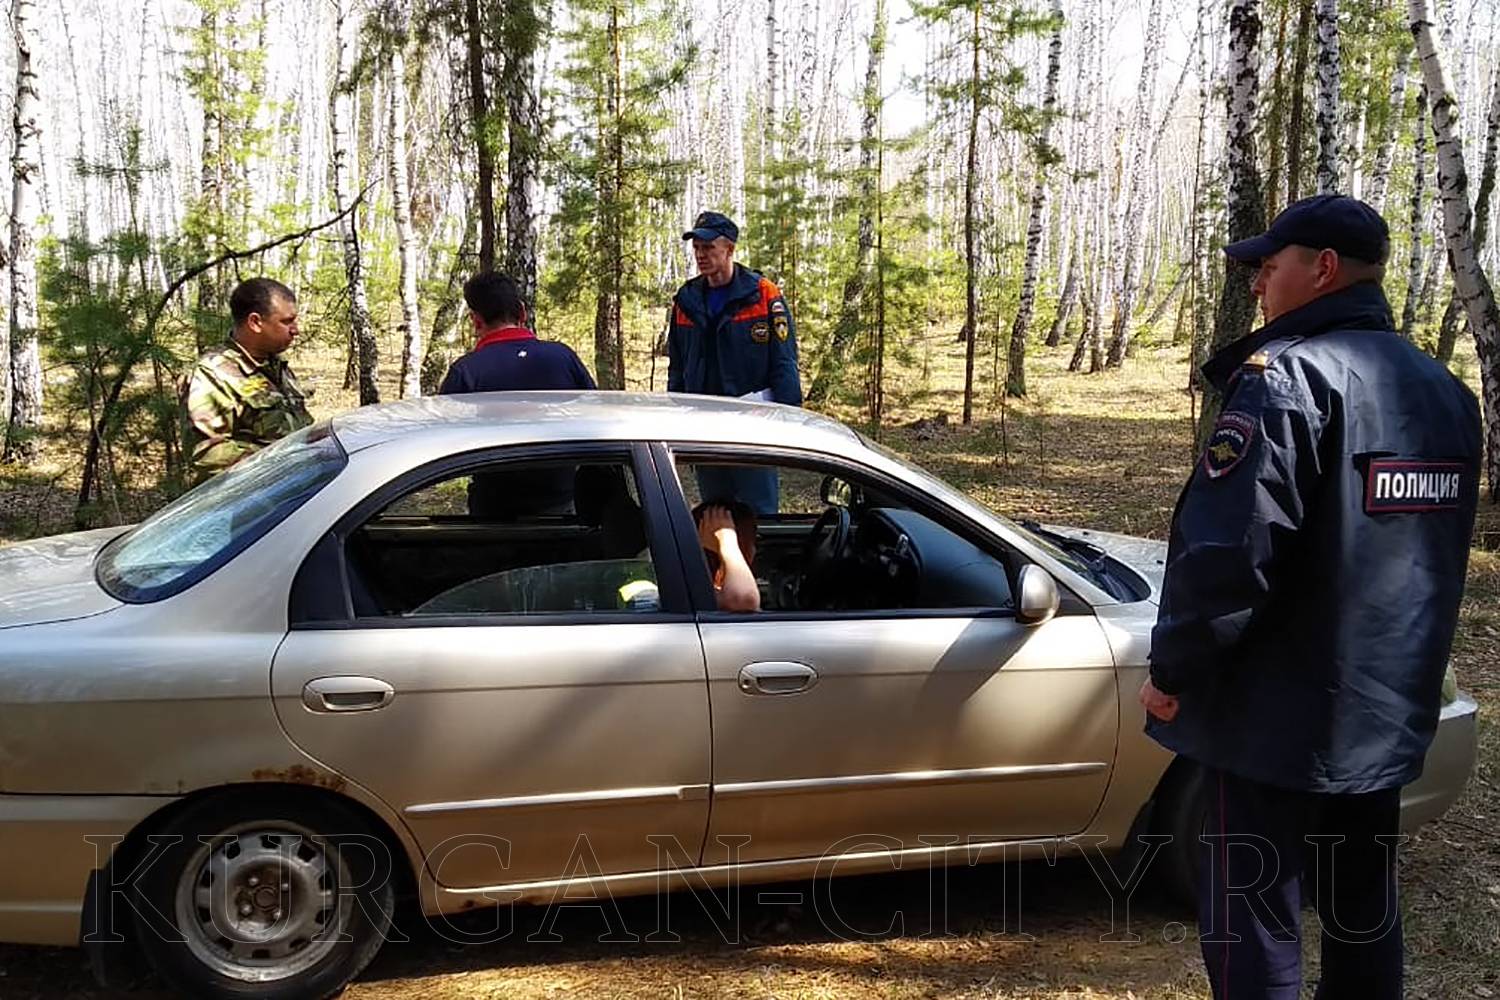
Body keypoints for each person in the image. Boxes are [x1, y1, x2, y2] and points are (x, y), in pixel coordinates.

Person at [1139, 194, 1481, 1000]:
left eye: (1270, 265)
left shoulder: (1288, 380)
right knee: (1362, 903)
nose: (1259, 282)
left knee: (1254, 916)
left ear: (1322, 268)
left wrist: (1173, 671)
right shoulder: (1443, 391)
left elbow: (1230, 556)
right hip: (1384, 710)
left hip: (1273, 720)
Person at [668, 211, 801, 514]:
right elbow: (677, 368)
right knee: (715, 513)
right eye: (696, 248)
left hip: (753, 426)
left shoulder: (762, 294)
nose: (700, 255)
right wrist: (677, 418)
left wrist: (790, 418)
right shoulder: (686, 299)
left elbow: (783, 362)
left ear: (729, 249)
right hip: (704, 426)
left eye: (708, 247)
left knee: (759, 513)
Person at [439, 271, 596, 518]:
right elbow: (596, 417)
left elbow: (442, 441)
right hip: (562, 506)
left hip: (492, 510)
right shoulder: (563, 357)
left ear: (476, 321)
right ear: (522, 312)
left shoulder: (465, 371)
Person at [183, 277, 312, 482]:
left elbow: (296, 425)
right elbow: (207, 454)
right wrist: (283, 458)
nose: (295, 330)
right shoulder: (213, 373)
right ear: (255, 322)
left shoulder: (275, 365)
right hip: (251, 496)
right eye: (287, 321)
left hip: (291, 487)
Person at [694, 499, 760, 612]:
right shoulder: (706, 598)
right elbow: (742, 598)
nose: (755, 549)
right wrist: (727, 540)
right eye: (752, 541)